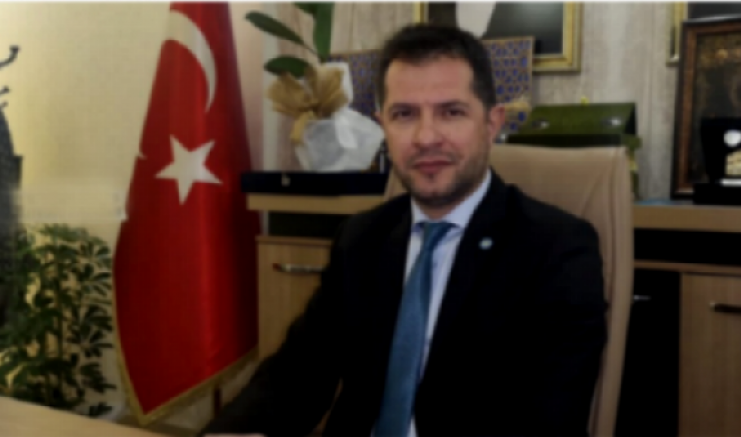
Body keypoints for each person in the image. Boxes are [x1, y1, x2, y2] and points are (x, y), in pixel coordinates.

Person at [201, 23, 607, 437]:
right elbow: (294, 376)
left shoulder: (556, 249)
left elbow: (548, 420)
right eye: (404, 114)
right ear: (383, 126)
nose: (426, 137)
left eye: (451, 112)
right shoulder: (360, 239)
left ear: (491, 123)